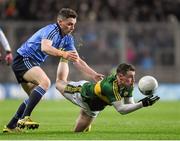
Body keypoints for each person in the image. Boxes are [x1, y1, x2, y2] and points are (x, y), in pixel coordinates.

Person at [3, 8, 103, 133]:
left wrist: (93, 74)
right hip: (24, 59)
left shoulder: (68, 38)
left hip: (28, 62)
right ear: (60, 22)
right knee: (45, 82)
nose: (72, 27)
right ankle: (24, 118)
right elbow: (45, 48)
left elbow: (77, 60)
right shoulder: (52, 30)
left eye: (74, 24)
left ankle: (11, 126)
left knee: (32, 97)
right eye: (69, 24)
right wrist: (63, 54)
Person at [56, 63, 160, 132]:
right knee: (59, 83)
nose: (133, 80)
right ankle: (63, 56)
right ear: (120, 76)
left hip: (93, 109)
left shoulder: (128, 85)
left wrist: (142, 102)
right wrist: (142, 104)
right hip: (81, 93)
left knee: (77, 133)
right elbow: (121, 110)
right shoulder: (110, 86)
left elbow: (129, 104)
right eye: (130, 77)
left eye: (134, 76)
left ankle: (85, 116)